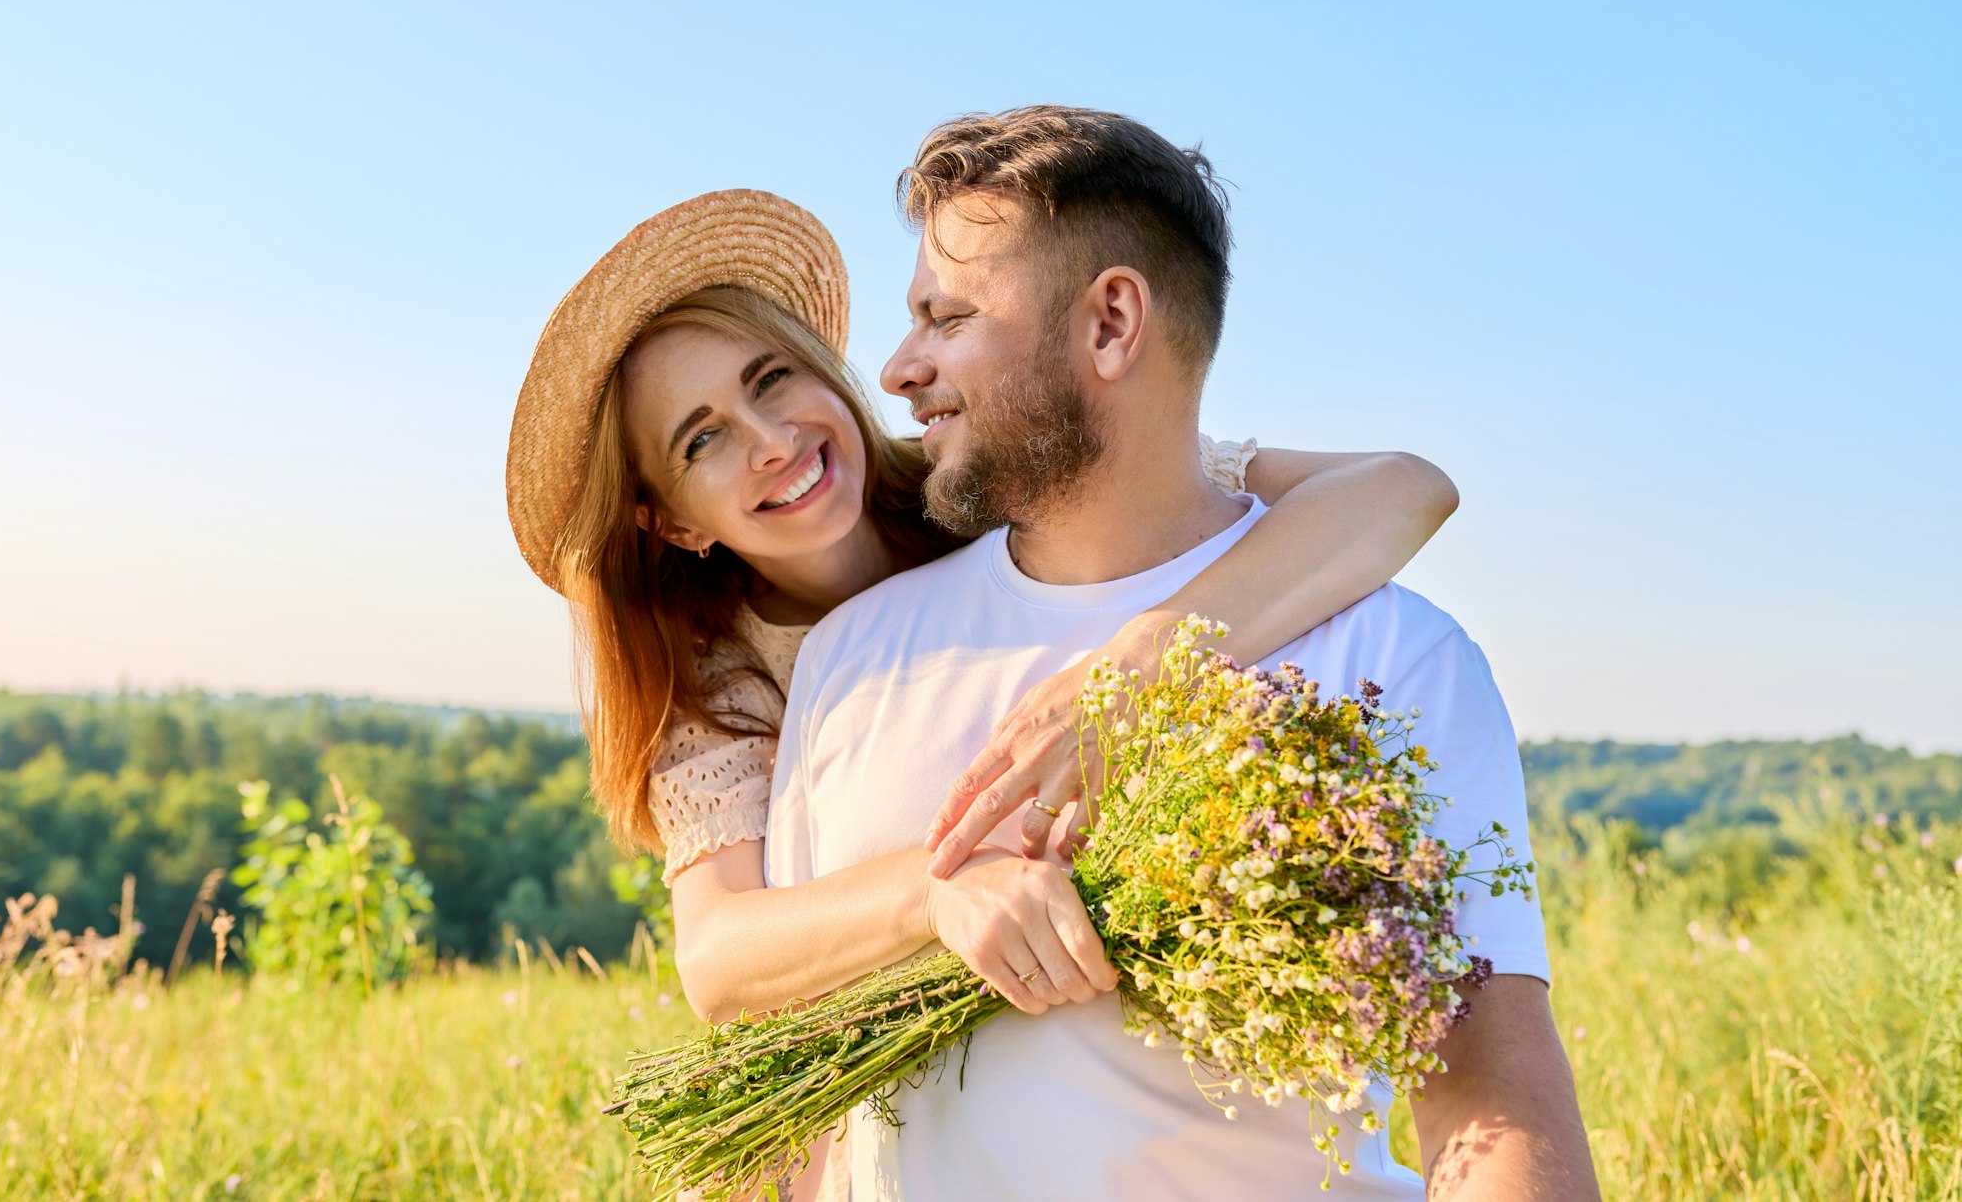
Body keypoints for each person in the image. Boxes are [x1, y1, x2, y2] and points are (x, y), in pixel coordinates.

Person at [506, 190, 1459, 1199]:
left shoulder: (995, 482)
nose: (770, 439)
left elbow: (1401, 488)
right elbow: (719, 959)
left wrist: (1136, 666)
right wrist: (936, 888)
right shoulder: (720, 679)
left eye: (770, 379)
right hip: (878, 1102)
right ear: (672, 524)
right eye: (701, 440)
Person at [764, 108, 1601, 1200]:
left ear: (1110, 322)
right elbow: (796, 1091)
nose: (896, 367)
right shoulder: (854, 660)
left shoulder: (1390, 653)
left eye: (946, 316)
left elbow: (1484, 1092)